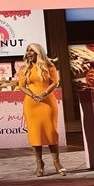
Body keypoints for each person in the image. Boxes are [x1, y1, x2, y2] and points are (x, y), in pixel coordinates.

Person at [17, 42, 65, 177]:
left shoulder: (49, 66)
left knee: (51, 132)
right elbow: (22, 86)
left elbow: (55, 82)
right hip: (31, 104)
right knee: (35, 133)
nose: (28, 53)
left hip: (47, 102)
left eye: (31, 50)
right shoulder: (24, 68)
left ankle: (57, 163)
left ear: (38, 52)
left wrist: (44, 94)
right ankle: (39, 164)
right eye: (27, 51)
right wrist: (33, 95)